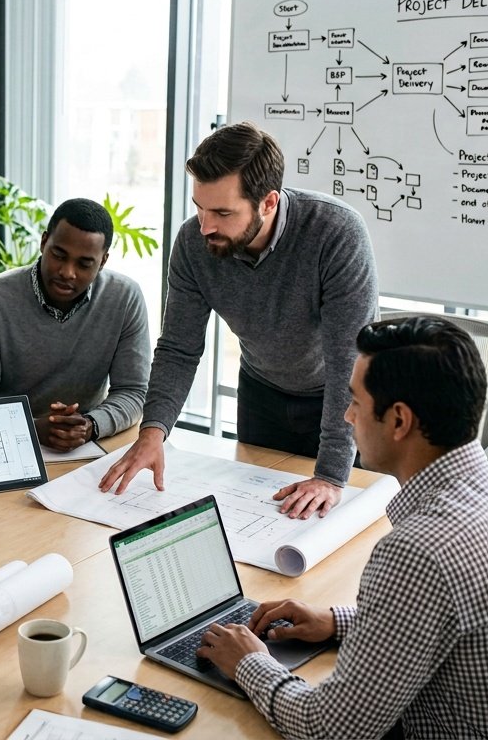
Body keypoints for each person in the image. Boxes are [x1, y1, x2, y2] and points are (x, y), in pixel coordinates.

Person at [196, 316, 488, 739]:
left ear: (399, 421)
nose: (346, 415)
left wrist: (248, 662)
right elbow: (459, 622)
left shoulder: (419, 549)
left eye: (355, 401)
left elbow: (328, 730)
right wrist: (337, 622)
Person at [99, 121, 378, 519]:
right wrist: (153, 432)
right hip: (262, 393)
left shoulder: (336, 233)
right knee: (261, 520)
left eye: (223, 212)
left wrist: (332, 476)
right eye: (199, 207)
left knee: (332, 522)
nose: (205, 226)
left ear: (268, 203)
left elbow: (346, 362)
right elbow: (179, 348)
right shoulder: (194, 244)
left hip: (342, 401)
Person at [0, 197, 150, 451]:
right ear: (44, 242)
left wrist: (90, 426)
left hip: (87, 446)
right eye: (59, 255)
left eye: (84, 264)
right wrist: (31, 428)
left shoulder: (124, 298)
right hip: (5, 442)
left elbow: (133, 391)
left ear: (102, 262)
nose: (67, 272)